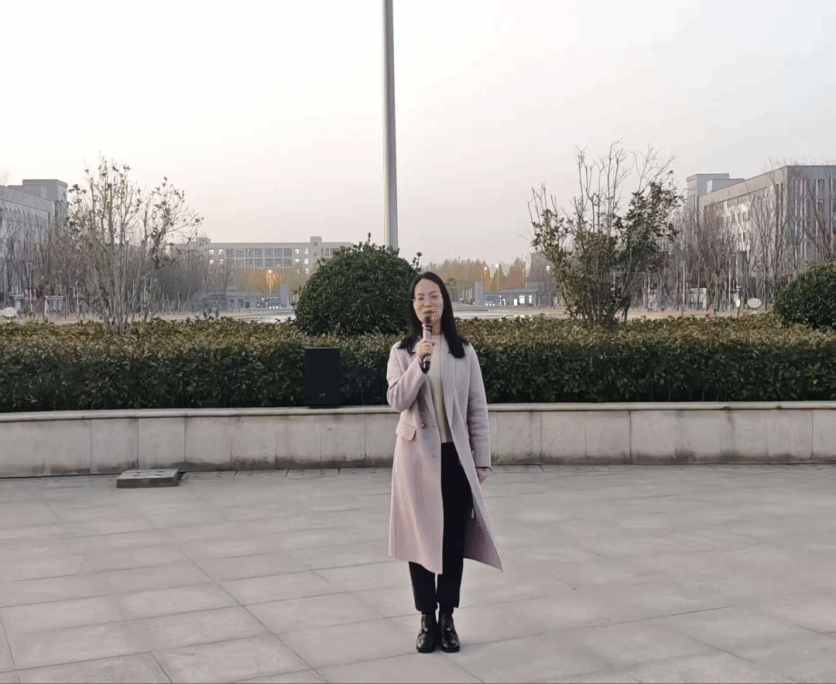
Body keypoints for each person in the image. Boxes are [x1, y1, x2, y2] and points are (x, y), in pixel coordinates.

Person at [386, 271, 503, 654]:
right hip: (416, 460)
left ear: (444, 302)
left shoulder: (462, 351)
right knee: (420, 541)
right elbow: (397, 401)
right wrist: (417, 365)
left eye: (433, 296)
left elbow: (477, 408)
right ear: (413, 306)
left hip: (455, 458)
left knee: (453, 540)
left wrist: (481, 460)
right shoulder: (402, 352)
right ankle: (426, 618)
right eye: (420, 298)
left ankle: (447, 618)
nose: (427, 304)